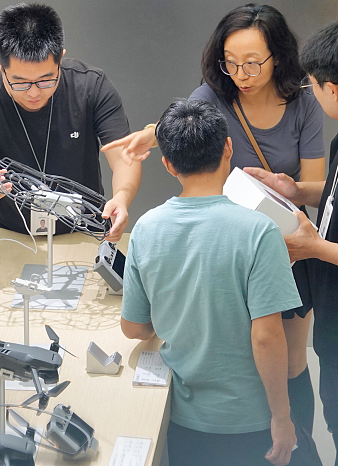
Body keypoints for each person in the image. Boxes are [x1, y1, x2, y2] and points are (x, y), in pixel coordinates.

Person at [103, 3, 323, 434]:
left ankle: (290, 436)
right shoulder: (213, 95)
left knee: (291, 358)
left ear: (277, 56)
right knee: (235, 344)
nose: (241, 73)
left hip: (285, 243)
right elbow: (183, 125)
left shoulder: (303, 103)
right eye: (232, 63)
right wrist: (150, 134)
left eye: (253, 63)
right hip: (227, 244)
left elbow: (313, 190)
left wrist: (287, 189)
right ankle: (245, 427)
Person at [121, 98, 330, 466]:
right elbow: (268, 337)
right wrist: (282, 418)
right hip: (255, 424)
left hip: (189, 423)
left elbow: (133, 327)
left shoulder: (147, 229)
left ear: (167, 164)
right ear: (229, 150)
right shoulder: (258, 231)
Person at [245, 20, 338, 466]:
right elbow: (331, 194)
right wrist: (295, 189)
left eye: (316, 85)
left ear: (331, 89)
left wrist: (315, 248)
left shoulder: (304, 110)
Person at [0, 2, 140, 242]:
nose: (33, 93)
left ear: (60, 58)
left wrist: (122, 198)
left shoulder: (91, 87)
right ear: (0, 64)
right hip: (10, 238)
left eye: (46, 80)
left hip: (83, 230)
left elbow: (125, 156)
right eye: (19, 82)